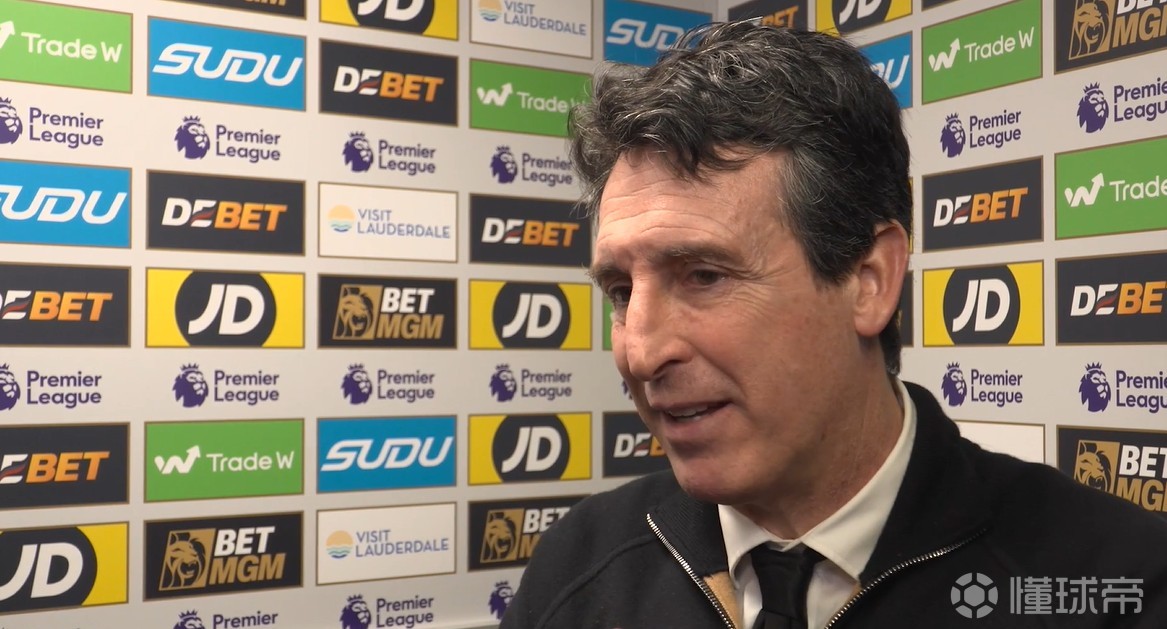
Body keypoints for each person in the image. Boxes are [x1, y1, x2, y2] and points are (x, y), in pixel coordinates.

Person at [500, 21, 1167, 629]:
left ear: (869, 280)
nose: (641, 353)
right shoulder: (578, 566)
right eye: (621, 291)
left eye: (703, 276)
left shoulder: (1120, 582)